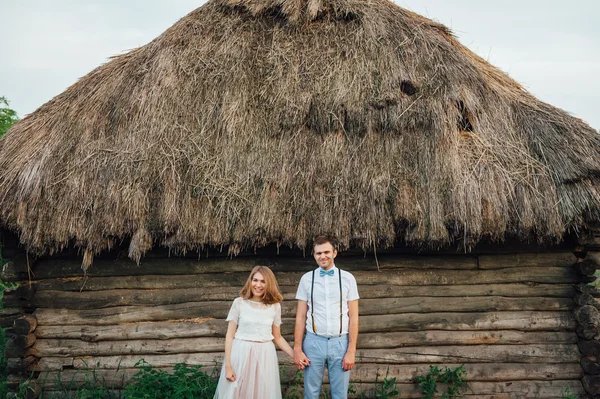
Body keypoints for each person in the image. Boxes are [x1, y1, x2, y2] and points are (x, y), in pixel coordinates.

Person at [293, 236, 360, 399]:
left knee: (340, 394)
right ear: (314, 255)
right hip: (313, 342)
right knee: (311, 392)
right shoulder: (306, 279)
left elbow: (354, 317)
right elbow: (300, 316)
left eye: (326, 252)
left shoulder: (348, 279)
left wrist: (351, 350)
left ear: (334, 253)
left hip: (340, 343)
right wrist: (297, 348)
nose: (322, 256)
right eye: (318, 253)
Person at [214, 266, 294, 399]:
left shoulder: (275, 306)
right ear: (250, 281)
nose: (258, 285)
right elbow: (229, 336)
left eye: (263, 281)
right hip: (241, 354)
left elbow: (278, 337)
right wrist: (228, 366)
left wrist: (294, 355)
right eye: (255, 280)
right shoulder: (239, 303)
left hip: (265, 356)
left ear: (269, 284)